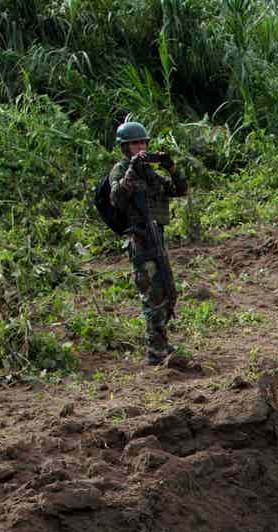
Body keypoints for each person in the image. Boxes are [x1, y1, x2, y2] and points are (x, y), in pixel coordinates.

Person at [108, 120, 191, 368]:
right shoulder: (121, 170)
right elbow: (117, 199)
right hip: (141, 239)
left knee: (168, 290)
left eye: (143, 142)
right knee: (151, 295)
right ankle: (155, 350)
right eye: (135, 143)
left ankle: (161, 342)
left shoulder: (150, 172)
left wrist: (171, 168)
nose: (141, 147)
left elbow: (178, 191)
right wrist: (132, 171)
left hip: (158, 236)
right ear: (125, 147)